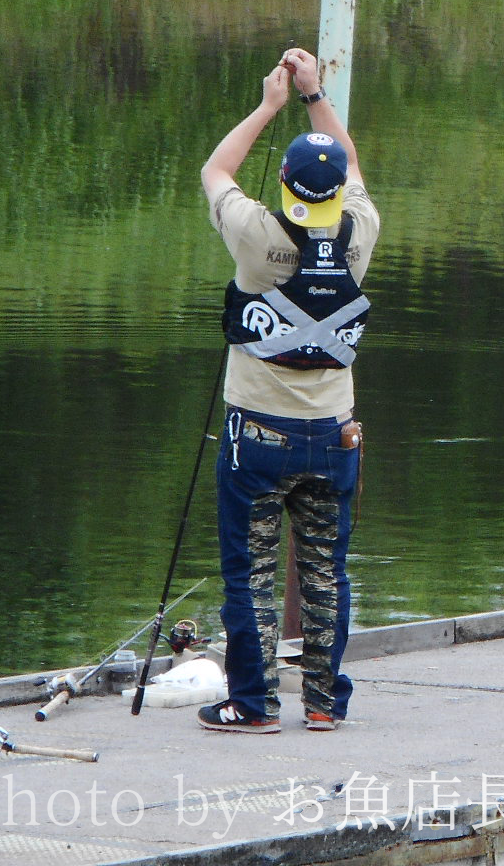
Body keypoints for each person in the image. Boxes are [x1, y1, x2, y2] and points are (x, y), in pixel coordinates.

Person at [197, 48, 380, 733]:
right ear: (334, 193)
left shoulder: (253, 234)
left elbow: (216, 170)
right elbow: (352, 163)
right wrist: (314, 95)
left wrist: (271, 103)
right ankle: (325, 705)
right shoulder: (360, 233)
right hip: (335, 436)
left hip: (258, 439)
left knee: (251, 574)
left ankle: (253, 703)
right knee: (327, 572)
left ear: (282, 182)